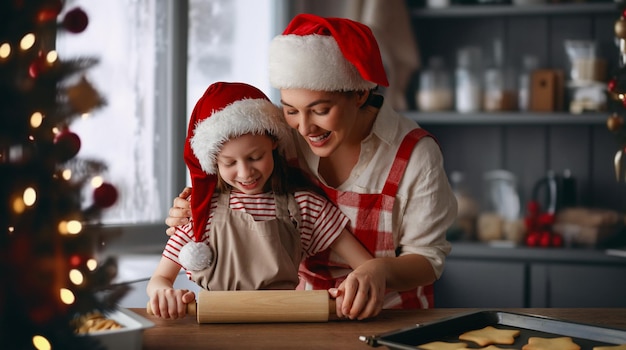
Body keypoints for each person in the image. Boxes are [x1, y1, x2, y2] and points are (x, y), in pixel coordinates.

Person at [164, 14, 457, 320]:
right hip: (302, 314)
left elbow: (427, 258)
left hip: (390, 315)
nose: (304, 128)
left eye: (320, 110)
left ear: (359, 93)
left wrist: (378, 271)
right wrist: (189, 207)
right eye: (290, 110)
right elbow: (230, 183)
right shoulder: (279, 136)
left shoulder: (415, 155)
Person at [147, 82, 373, 319]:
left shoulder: (305, 207)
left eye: (255, 157)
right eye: (230, 163)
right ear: (214, 163)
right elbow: (159, 279)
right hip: (214, 325)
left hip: (284, 325)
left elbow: (365, 265)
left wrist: (354, 288)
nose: (245, 173)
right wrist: (163, 293)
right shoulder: (200, 213)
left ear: (274, 142)